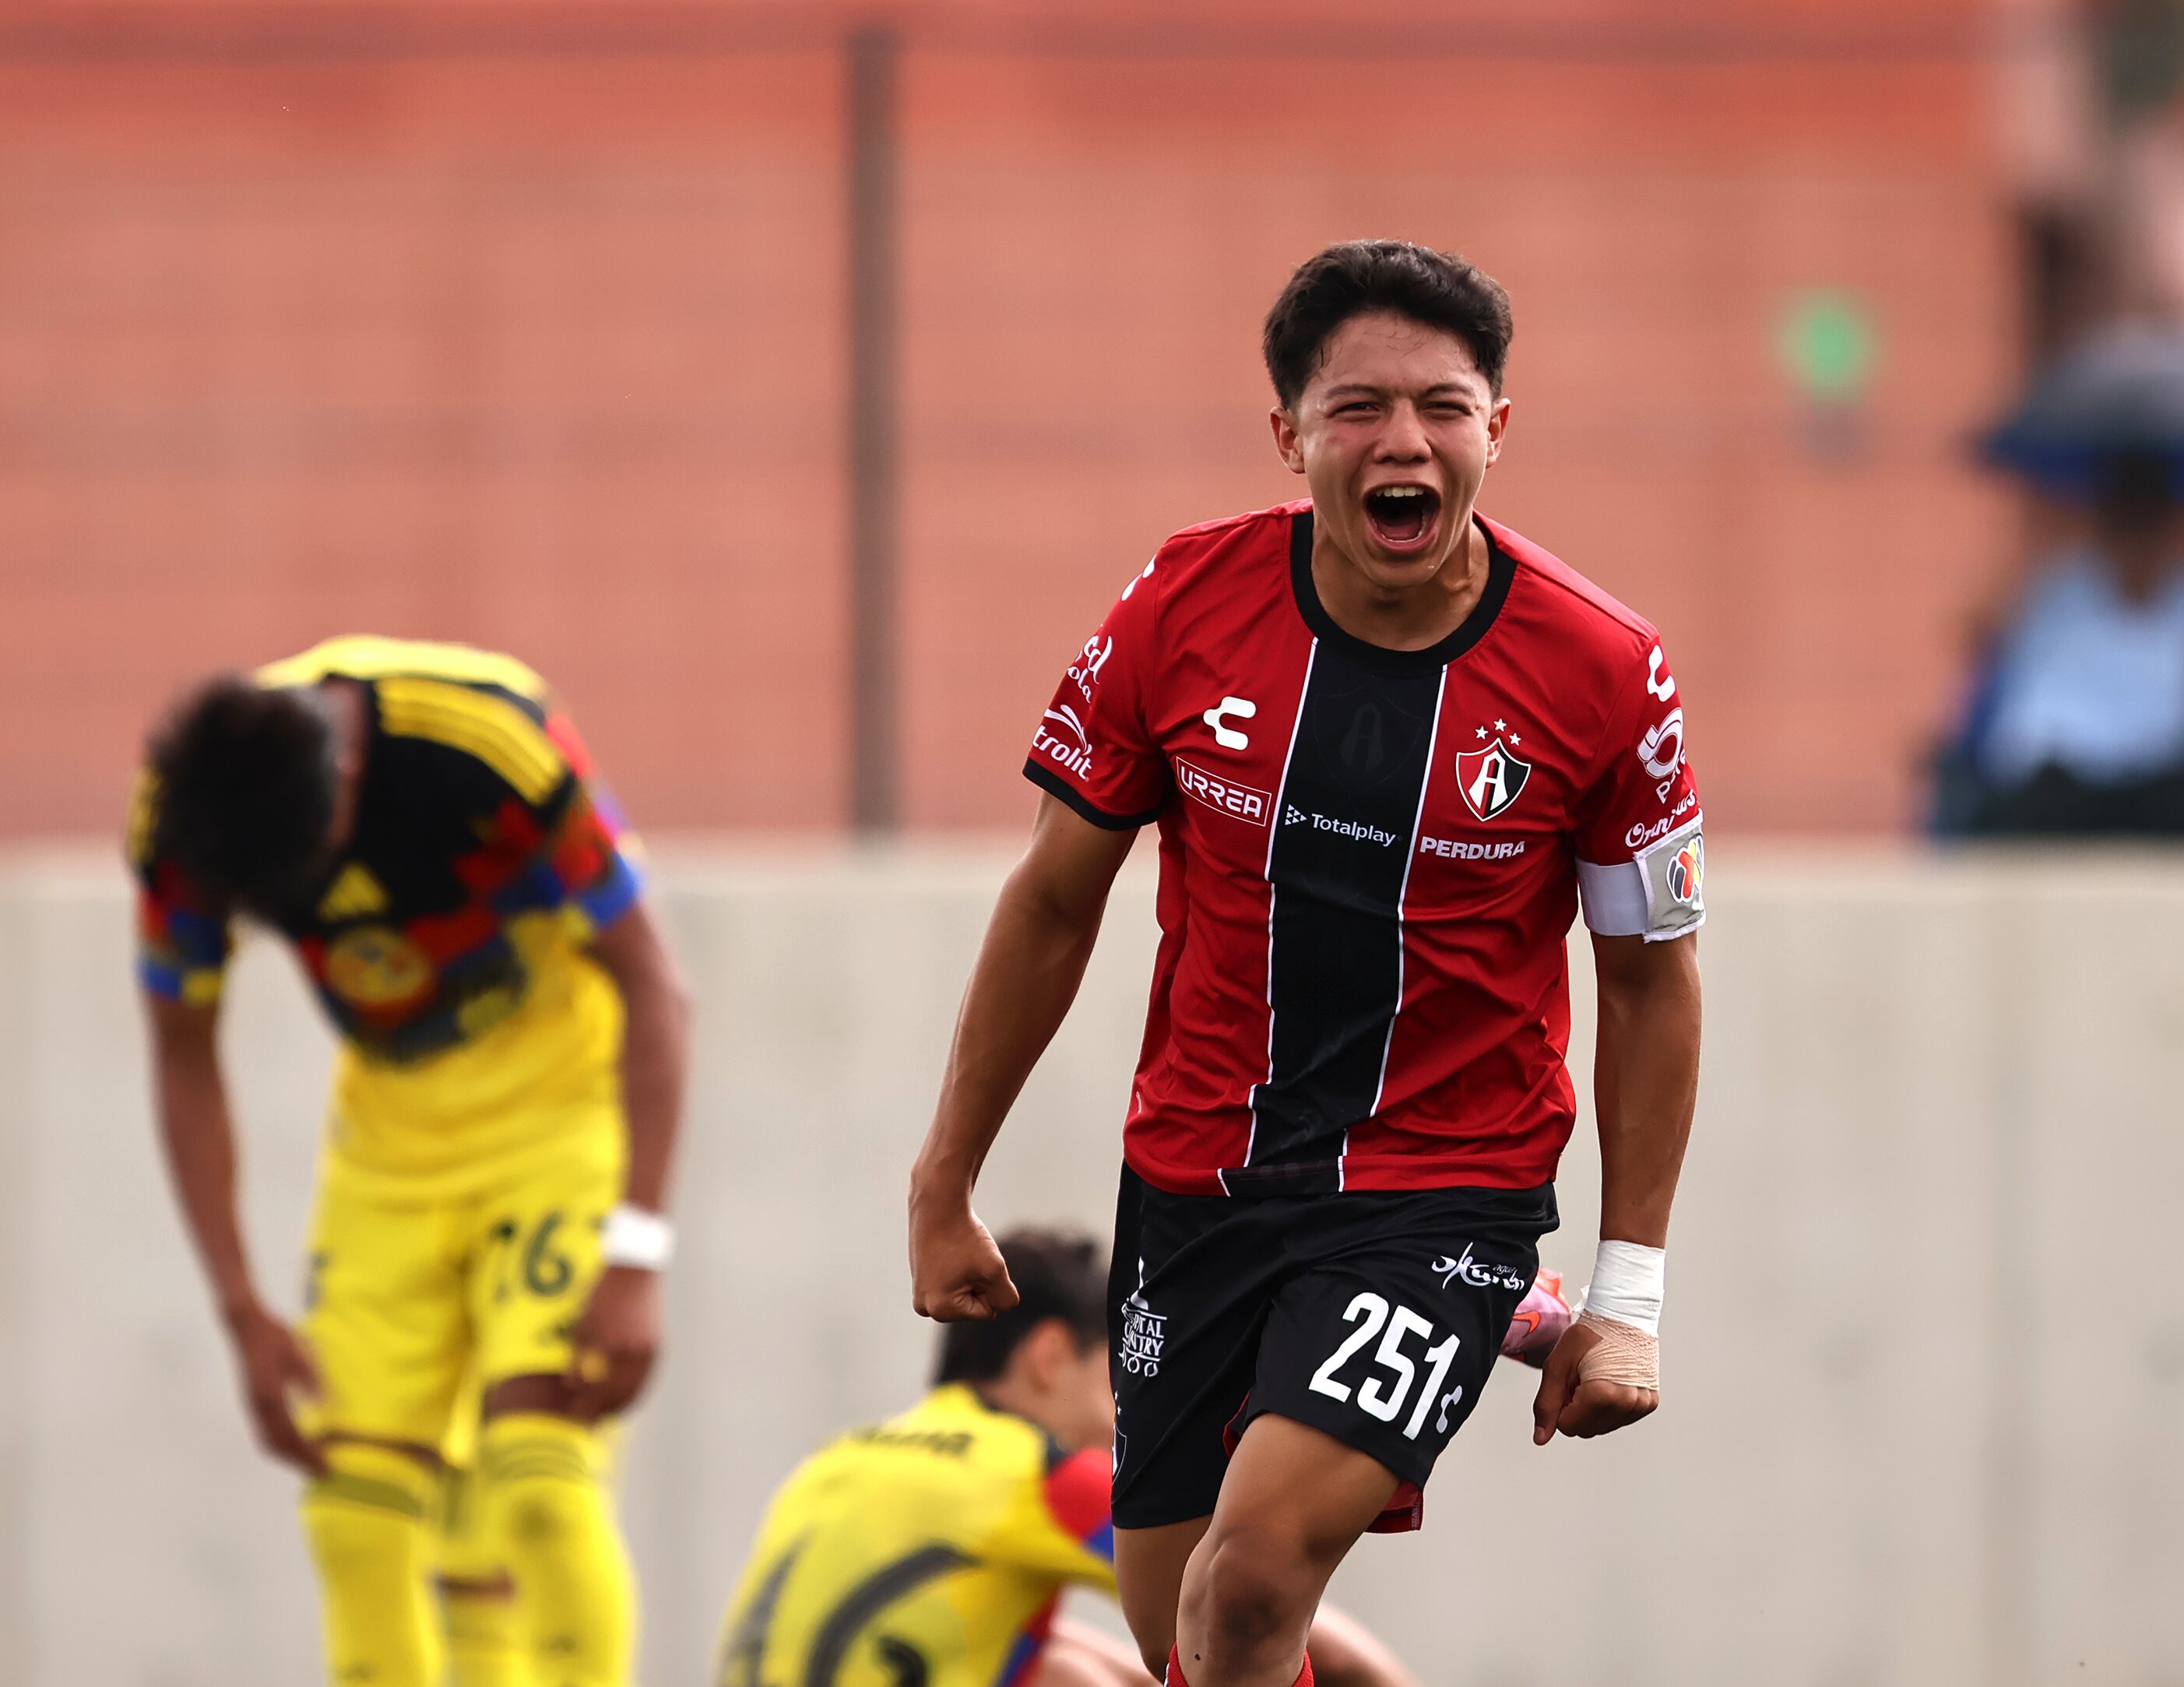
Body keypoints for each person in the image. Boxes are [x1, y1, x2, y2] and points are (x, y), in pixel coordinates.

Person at [907, 240, 1705, 1687]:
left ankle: (1491, 1294)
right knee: (1179, 1640)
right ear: (1290, 437)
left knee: (1256, 1581)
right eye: (1358, 408)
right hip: (1198, 1184)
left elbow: (1650, 974)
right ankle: (1497, 1319)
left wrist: (1629, 1298)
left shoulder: (1603, 668)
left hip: (1439, 1190)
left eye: (1443, 407)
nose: (1404, 442)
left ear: (1496, 431)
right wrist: (944, 1176)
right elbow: (1049, 903)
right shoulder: (1179, 606)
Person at [131, 635, 690, 1687]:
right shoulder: (183, 829)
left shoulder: (491, 734)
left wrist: (636, 1248)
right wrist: (241, 1306)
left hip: (553, 1113)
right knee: (353, 1512)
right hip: (387, 1149)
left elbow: (657, 987)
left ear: (347, 783)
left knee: (537, 1483)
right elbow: (181, 1050)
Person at [716, 1228, 1439, 1687]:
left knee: (1056, 1652)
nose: (1123, 1416)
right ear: (1051, 1354)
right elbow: (1297, 1633)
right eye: (1115, 1382)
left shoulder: (841, 1458)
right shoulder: (1035, 1474)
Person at [1952, 448, 2184, 836]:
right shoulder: (2054, 592)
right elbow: (1977, 640)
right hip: (2062, 787)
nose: (2136, 542)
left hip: (2168, 791)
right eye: (2122, 523)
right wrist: (2033, 544)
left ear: (2174, 525)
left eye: (2147, 522)